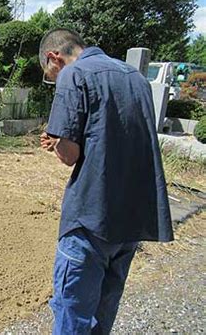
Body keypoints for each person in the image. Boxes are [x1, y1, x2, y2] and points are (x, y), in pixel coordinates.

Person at [38, 28, 174, 334]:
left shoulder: (73, 75)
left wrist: (58, 141)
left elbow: (70, 154)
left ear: (53, 58)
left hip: (90, 221)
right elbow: (114, 137)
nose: (54, 81)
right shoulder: (135, 78)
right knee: (103, 314)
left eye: (50, 75)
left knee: (72, 314)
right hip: (129, 223)